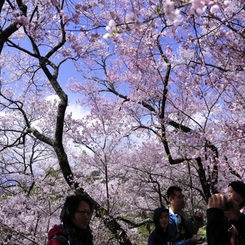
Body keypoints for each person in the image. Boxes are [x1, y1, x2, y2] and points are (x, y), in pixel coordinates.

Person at [227, 181, 245, 245]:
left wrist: (239, 231)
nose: (229, 194)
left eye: (231, 192)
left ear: (239, 192)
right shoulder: (230, 209)